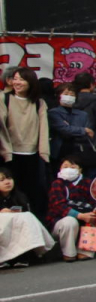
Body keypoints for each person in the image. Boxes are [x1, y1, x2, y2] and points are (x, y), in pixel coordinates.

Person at [1, 66, 51, 220]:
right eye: (15, 78)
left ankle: (35, 223)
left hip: (32, 154)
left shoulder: (39, 103)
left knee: (34, 192)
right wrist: (5, 150)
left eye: (21, 79)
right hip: (9, 154)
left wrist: (44, 153)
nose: (17, 82)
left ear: (30, 82)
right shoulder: (4, 98)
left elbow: (43, 129)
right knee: (11, 190)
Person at [47, 153, 96, 262]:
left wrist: (95, 212)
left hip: (86, 218)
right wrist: (79, 215)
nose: (68, 169)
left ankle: (85, 251)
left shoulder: (88, 183)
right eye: (65, 167)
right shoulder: (57, 184)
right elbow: (58, 206)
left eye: (72, 167)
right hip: (61, 222)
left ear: (80, 170)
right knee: (70, 221)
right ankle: (69, 253)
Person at [0, 166, 54, 268]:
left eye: (9, 178)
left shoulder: (20, 197)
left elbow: (28, 213)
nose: (7, 182)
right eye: (2, 180)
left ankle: (22, 256)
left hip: (16, 228)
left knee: (27, 218)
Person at [49, 84, 96, 174]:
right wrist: (82, 130)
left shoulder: (83, 114)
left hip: (79, 150)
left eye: (72, 94)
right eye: (66, 94)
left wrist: (71, 128)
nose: (69, 96)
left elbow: (89, 131)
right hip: (59, 151)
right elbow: (64, 129)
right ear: (59, 95)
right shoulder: (53, 112)